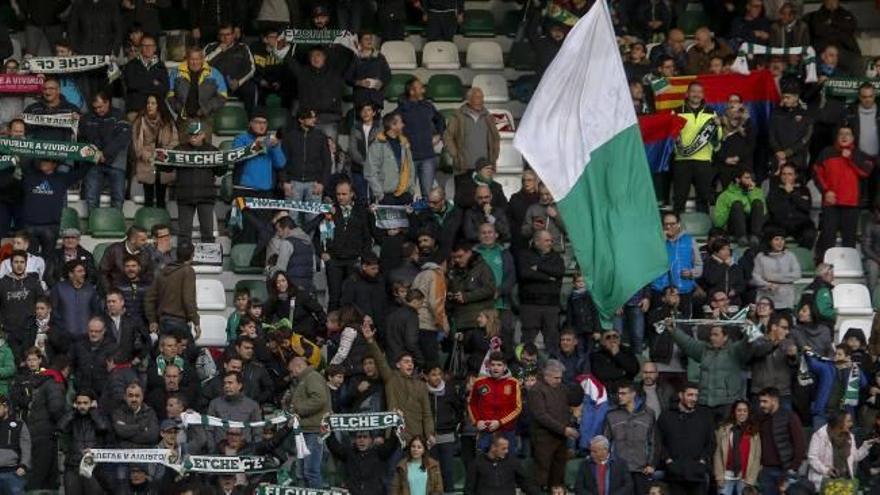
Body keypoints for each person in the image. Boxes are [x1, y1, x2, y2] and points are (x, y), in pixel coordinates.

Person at [362, 322, 434, 441]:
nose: (410, 364)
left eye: (411, 362)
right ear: (398, 365)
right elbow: (380, 361)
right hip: (395, 437)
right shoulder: (391, 378)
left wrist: (430, 434)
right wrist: (370, 340)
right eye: (406, 361)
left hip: (416, 438)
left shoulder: (421, 385)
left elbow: (427, 414)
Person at [314, 178, 374, 312]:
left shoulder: (361, 211)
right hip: (334, 260)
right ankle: (331, 329)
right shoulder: (329, 211)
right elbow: (319, 236)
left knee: (351, 297)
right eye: (338, 194)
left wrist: (363, 257)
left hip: (354, 260)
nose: (340, 197)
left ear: (352, 193)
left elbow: (367, 237)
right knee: (334, 298)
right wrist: (322, 253)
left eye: (344, 194)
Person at [670, 323, 751, 421]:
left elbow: (746, 344)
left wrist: (749, 330)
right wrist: (673, 330)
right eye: (711, 335)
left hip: (727, 403)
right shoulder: (704, 349)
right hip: (704, 403)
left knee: (725, 433)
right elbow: (687, 343)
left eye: (716, 335)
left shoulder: (735, 350)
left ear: (725, 337)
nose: (712, 337)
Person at [815, 125, 874, 257]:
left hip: (851, 204)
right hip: (831, 203)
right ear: (837, 136)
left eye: (847, 134)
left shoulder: (860, 155)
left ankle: (848, 267)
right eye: (841, 133)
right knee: (827, 238)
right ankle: (825, 270)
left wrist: (850, 158)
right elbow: (817, 173)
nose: (844, 136)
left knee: (849, 239)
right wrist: (826, 192)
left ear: (853, 138)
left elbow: (865, 172)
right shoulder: (827, 152)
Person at [656, 383, 715, 495]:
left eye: (696, 396)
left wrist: (702, 461)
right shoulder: (666, 415)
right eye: (690, 395)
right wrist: (668, 460)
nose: (694, 399)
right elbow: (658, 441)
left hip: (697, 474)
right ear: (681, 395)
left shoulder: (705, 416)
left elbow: (711, 442)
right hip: (674, 474)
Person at [529, 360, 579, 490]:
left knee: (558, 474)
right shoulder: (536, 390)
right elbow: (541, 416)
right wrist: (563, 429)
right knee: (542, 473)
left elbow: (571, 403)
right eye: (556, 378)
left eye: (561, 378)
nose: (559, 381)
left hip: (561, 439)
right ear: (546, 375)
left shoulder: (562, 388)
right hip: (543, 439)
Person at [672, 82, 721, 213]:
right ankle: (675, 228)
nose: (696, 94)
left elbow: (718, 138)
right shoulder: (676, 112)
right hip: (681, 160)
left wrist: (718, 127)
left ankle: (704, 227)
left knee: (704, 197)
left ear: (703, 95)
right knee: (679, 197)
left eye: (699, 92)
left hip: (703, 161)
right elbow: (670, 137)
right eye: (693, 91)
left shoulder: (712, 112)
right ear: (687, 94)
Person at [282, 356, 330, 489]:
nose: (291, 375)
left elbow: (319, 399)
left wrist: (298, 409)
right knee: (301, 473)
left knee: (311, 471)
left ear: (299, 366)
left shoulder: (312, 377)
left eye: (292, 371)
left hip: (313, 430)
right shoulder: (304, 380)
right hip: (305, 430)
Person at [173, 120, 223, 243]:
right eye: (190, 135)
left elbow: (220, 171)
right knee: (184, 233)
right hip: (185, 196)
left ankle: (209, 260)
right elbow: (167, 168)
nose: (193, 138)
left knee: (207, 233)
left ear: (203, 135)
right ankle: (183, 259)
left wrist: (223, 162)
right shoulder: (179, 149)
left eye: (196, 135)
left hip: (206, 196)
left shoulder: (213, 151)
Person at [444, 87, 500, 194]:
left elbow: (495, 138)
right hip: (463, 167)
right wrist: (455, 155)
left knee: (483, 199)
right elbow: (448, 136)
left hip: (484, 169)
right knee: (463, 199)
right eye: (478, 97)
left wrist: (494, 157)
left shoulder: (488, 117)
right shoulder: (458, 116)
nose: (481, 100)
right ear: (469, 99)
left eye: (482, 97)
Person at [603, 381, 657, 493]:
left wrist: (651, 464)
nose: (620, 396)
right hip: (619, 469)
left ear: (633, 394)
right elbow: (605, 441)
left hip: (641, 469)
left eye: (623, 393)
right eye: (619, 393)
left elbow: (653, 441)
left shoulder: (648, 414)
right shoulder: (611, 415)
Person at [517, 230, 565, 354]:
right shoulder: (525, 255)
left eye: (551, 240)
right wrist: (548, 278)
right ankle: (525, 370)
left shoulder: (557, 258)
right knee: (527, 342)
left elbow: (559, 272)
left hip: (551, 305)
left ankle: (553, 370)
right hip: (530, 305)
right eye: (546, 240)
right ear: (537, 242)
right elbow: (525, 274)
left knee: (552, 341)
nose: (550, 243)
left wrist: (538, 267)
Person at [279, 108, 331, 220]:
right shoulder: (289, 137)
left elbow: (327, 162)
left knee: (312, 219)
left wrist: (322, 183)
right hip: (293, 183)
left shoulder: (321, 137)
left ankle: (308, 239)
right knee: (291, 219)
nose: (314, 120)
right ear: (301, 120)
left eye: (315, 117)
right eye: (310, 117)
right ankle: (292, 238)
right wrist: (284, 181)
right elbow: (282, 161)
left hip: (314, 184)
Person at [398, 77, 445, 199]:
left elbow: (440, 120)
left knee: (428, 195)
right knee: (407, 194)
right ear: (412, 92)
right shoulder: (402, 108)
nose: (424, 90)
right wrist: (401, 138)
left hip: (428, 157)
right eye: (420, 87)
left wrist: (439, 135)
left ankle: (427, 218)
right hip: (409, 159)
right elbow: (390, 125)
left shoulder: (428, 106)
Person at [289, 45, 348, 143]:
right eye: (312, 56)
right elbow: (290, 62)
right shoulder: (303, 73)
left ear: (324, 57)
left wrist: (318, 119)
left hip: (328, 121)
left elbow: (347, 54)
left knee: (330, 146)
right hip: (307, 121)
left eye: (318, 55)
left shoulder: (335, 74)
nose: (315, 58)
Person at [807, 411, 876, 491]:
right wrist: (826, 470)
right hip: (824, 480)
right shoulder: (819, 436)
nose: (851, 424)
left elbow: (855, 457)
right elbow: (812, 458)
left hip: (845, 481)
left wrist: (866, 446)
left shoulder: (849, 436)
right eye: (848, 421)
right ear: (839, 422)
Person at [58, 390, 109, 495]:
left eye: (85, 403)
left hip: (93, 467)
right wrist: (73, 411)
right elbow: (60, 427)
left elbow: (103, 427)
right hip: (73, 466)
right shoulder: (72, 417)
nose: (82, 406)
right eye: (79, 403)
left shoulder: (98, 416)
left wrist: (93, 411)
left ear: (92, 403)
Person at [167, 46, 228, 135]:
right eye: (192, 59)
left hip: (205, 120)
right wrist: (179, 108)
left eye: (198, 59)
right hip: (184, 119)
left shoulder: (214, 73)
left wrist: (206, 108)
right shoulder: (176, 73)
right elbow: (170, 94)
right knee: (183, 148)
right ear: (187, 59)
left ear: (203, 59)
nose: (195, 62)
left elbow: (222, 97)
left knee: (204, 148)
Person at [652, 211, 703, 317]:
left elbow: (699, 265)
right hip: (660, 289)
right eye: (666, 224)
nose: (669, 227)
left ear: (679, 224)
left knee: (683, 323)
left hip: (683, 289)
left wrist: (691, 273)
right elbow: (650, 263)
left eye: (672, 224)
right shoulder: (656, 241)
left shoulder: (689, 240)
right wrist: (662, 240)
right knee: (659, 323)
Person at [132, 93, 178, 209]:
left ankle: (162, 223)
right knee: (148, 200)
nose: (149, 106)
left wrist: (163, 155)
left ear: (159, 106)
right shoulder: (139, 121)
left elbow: (174, 142)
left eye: (153, 103)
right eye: (148, 103)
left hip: (163, 162)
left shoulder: (168, 121)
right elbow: (138, 145)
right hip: (147, 162)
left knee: (161, 200)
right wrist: (149, 156)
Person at [468, 352, 522, 452]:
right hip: (485, 430)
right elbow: (472, 404)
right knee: (484, 463)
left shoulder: (513, 383)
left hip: (507, 431)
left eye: (499, 365)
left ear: (505, 367)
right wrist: (477, 421)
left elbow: (517, 408)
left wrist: (500, 422)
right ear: (488, 366)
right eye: (493, 365)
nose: (495, 368)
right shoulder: (479, 382)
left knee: (507, 464)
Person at [145, 242, 199, 341]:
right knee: (187, 353)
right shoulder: (188, 271)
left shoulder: (162, 271)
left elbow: (150, 297)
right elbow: (188, 299)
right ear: (192, 255)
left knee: (166, 353)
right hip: (179, 321)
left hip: (163, 321)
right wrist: (196, 321)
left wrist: (152, 320)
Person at [325, 429, 400, 495]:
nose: (362, 440)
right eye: (359, 437)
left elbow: (392, 443)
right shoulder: (349, 453)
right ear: (354, 440)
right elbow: (334, 446)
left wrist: (396, 425)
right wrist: (328, 430)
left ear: (371, 440)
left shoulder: (379, 453)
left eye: (365, 437)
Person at [204, 23, 257, 112]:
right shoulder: (210, 47)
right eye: (222, 35)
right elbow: (201, 64)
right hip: (215, 84)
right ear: (218, 36)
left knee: (250, 88)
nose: (225, 38)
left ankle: (249, 120)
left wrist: (239, 82)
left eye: (228, 34)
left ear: (233, 35)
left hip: (236, 84)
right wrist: (218, 51)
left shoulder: (243, 48)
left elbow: (251, 69)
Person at [366, 112, 416, 204]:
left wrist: (411, 190)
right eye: (400, 123)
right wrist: (380, 195)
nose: (403, 125)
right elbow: (370, 172)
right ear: (392, 125)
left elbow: (411, 167)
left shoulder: (404, 143)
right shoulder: (377, 145)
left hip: (405, 195)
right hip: (386, 196)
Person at [713, 400, 761, 495]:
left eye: (745, 411)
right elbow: (717, 454)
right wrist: (719, 476)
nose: (742, 413)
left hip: (745, 478)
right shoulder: (723, 430)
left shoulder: (754, 432)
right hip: (725, 476)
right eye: (739, 410)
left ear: (748, 413)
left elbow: (757, 457)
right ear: (734, 412)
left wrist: (750, 480)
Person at [465, 434, 537, 495]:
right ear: (493, 447)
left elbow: (525, 483)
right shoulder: (477, 463)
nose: (507, 451)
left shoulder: (512, 462)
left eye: (507, 448)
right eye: (503, 448)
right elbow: (469, 489)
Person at [712, 168, 766, 247]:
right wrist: (731, 210)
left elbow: (763, 213)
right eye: (747, 178)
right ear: (737, 179)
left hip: (753, 227)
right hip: (734, 227)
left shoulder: (757, 191)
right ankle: (741, 238)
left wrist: (751, 193)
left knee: (757, 203)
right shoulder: (725, 195)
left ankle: (755, 237)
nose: (750, 181)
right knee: (737, 205)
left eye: (751, 178)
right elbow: (718, 223)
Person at [0, 251, 45, 345]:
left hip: (29, 329)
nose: (19, 265)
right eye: (16, 262)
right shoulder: (2, 283)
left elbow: (42, 303)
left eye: (22, 262)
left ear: (26, 263)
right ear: (11, 264)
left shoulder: (34, 282)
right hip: (8, 330)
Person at [805, 0, 861, 75]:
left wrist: (831, 22)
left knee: (856, 61)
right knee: (813, 61)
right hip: (821, 51)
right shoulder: (814, 16)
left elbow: (849, 28)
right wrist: (837, 27)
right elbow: (818, 30)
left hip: (844, 50)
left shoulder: (847, 14)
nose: (832, 1)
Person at [766, 164, 816, 248]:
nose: (786, 177)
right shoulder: (774, 190)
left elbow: (806, 207)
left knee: (809, 233)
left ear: (795, 176)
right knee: (769, 231)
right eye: (784, 174)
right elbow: (773, 208)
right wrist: (785, 194)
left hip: (800, 224)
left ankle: (803, 256)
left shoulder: (803, 190)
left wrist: (792, 193)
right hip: (780, 224)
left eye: (789, 174)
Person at [751, 231, 802, 311]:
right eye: (776, 239)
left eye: (782, 239)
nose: (780, 242)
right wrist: (767, 284)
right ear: (770, 241)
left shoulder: (790, 255)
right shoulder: (761, 256)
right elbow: (756, 276)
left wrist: (773, 277)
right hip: (766, 296)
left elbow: (797, 274)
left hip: (786, 297)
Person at [49, 260, 100, 339]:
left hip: (86, 337)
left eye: (84, 271)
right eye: (79, 271)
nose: (83, 273)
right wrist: (62, 329)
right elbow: (54, 311)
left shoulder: (90, 289)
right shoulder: (59, 288)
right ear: (71, 274)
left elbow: (96, 311)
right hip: (64, 337)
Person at [122, 34, 168, 119]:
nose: (148, 48)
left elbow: (164, 89)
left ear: (155, 48)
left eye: (151, 46)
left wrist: (142, 81)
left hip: (157, 109)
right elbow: (132, 84)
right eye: (145, 45)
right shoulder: (131, 65)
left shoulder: (161, 67)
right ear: (140, 48)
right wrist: (154, 83)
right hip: (136, 108)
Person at [99, 226, 155, 292]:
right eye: (142, 240)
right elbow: (103, 273)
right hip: (116, 290)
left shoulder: (146, 252)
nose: (146, 242)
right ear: (132, 240)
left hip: (139, 291)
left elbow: (150, 274)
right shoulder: (114, 250)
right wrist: (110, 292)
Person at [345, 32, 390, 111]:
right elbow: (347, 77)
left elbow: (387, 75)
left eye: (370, 39)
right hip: (361, 98)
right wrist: (359, 83)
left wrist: (381, 83)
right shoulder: (355, 58)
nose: (369, 41)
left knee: (376, 122)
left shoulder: (380, 57)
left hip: (376, 98)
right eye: (366, 39)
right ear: (360, 43)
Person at [591, 329, 640, 397]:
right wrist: (622, 372)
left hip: (627, 391)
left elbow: (634, 369)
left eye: (615, 336)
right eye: (608, 337)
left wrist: (617, 354)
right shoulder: (597, 355)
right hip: (607, 392)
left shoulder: (627, 351)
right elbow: (601, 374)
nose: (612, 339)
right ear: (602, 342)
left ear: (619, 340)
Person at [699, 238, 747, 308]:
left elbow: (742, 284)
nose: (727, 252)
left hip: (732, 301)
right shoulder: (708, 264)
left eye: (728, 249)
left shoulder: (734, 266)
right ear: (715, 251)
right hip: (714, 301)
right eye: (723, 249)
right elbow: (711, 280)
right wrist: (724, 265)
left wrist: (735, 291)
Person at [521, 183, 566, 252]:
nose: (544, 197)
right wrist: (533, 227)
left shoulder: (562, 208)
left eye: (547, 194)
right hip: (537, 252)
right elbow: (524, 232)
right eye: (541, 194)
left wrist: (556, 216)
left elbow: (569, 230)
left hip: (557, 250)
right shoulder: (533, 209)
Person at [0, 394, 30, 495]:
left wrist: (24, 465)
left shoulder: (19, 424)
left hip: (12, 473)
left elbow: (26, 447)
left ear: (6, 407)